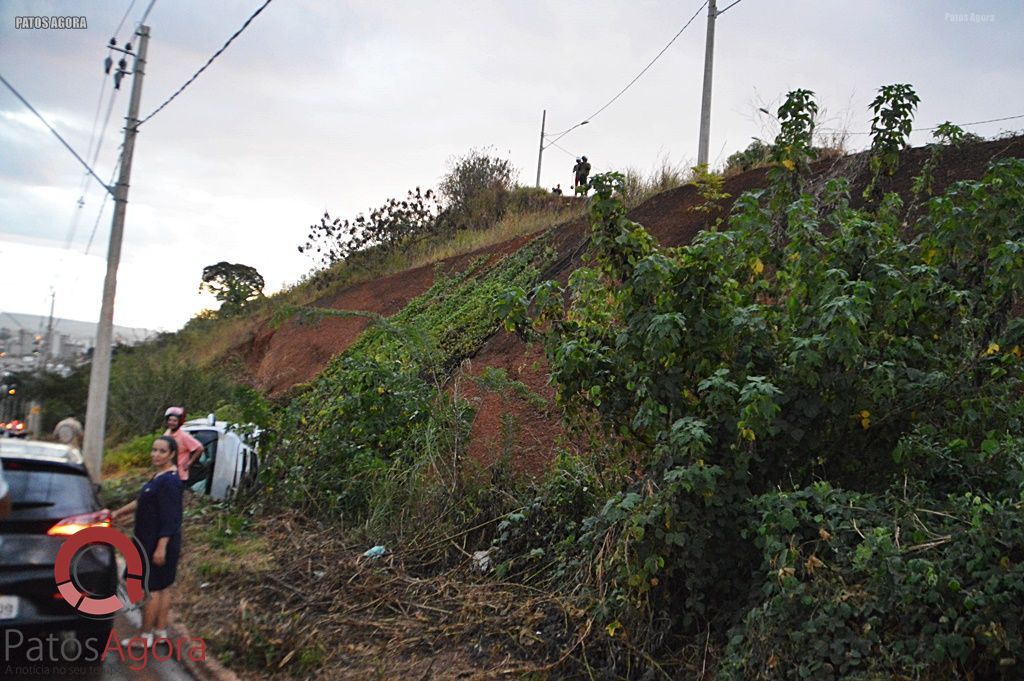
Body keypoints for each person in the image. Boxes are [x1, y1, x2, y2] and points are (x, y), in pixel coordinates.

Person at [111, 436, 184, 648]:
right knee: (163, 588)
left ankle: (144, 637)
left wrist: (161, 547)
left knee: (152, 589)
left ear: (172, 454)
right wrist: (118, 513)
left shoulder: (169, 481)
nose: (156, 455)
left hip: (158, 543)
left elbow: (172, 518)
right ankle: (160, 633)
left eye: (162, 451)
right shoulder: (159, 478)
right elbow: (142, 501)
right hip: (148, 540)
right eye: (154, 450)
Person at [163, 406, 203, 483]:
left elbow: (200, 448)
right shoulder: (167, 433)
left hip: (179, 475)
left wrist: (189, 463)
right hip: (167, 472)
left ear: (179, 422)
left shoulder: (183, 436)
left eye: (174, 421)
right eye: (170, 420)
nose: (171, 423)